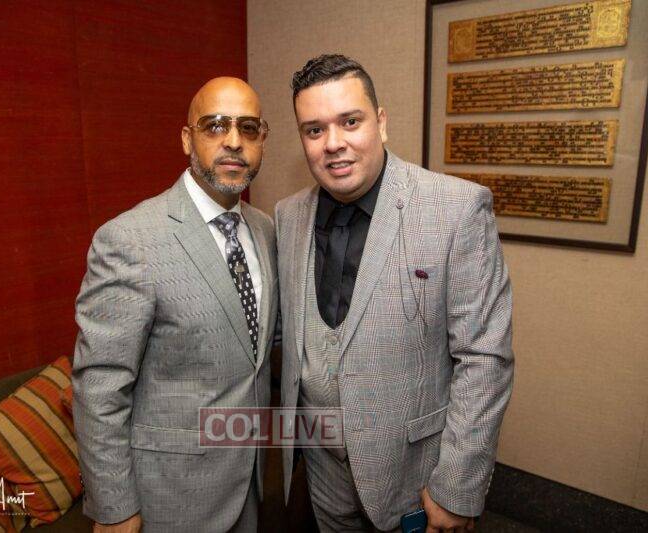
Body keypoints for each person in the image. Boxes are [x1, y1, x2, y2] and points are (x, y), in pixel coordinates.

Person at [275, 54, 514, 532]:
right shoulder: (288, 215)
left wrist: (456, 490)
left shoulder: (456, 209)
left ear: (381, 123)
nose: (333, 143)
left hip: (413, 478)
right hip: (322, 471)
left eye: (350, 121)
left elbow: (484, 358)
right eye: (314, 130)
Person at [72, 77, 278, 533]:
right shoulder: (130, 240)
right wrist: (114, 507)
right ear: (187, 138)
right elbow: (100, 385)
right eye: (215, 126)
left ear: (262, 140)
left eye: (248, 128)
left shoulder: (265, 230)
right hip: (169, 498)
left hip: (249, 484)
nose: (233, 141)